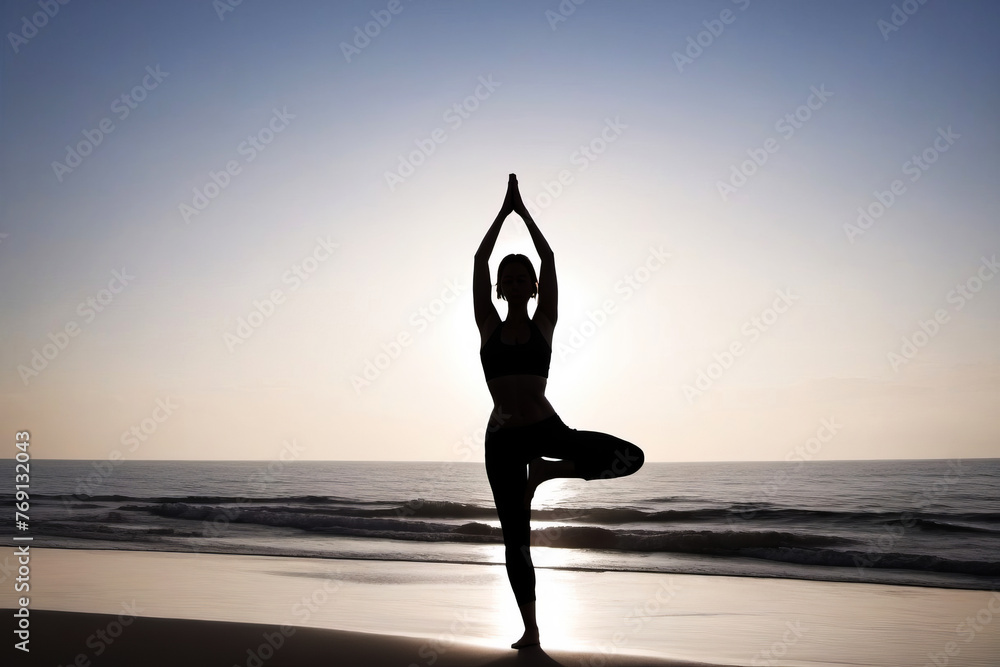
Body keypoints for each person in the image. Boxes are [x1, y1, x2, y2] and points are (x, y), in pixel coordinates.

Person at [473, 173, 645, 649]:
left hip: (546, 427)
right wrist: (500, 214)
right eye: (504, 278)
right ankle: (530, 628)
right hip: (502, 439)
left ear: (530, 287)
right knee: (515, 541)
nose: (510, 280)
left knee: (628, 456)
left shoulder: (545, 324)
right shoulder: (486, 326)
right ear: (499, 288)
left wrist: (522, 212)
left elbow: (548, 258)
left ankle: (548, 474)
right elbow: (479, 259)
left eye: (519, 276)